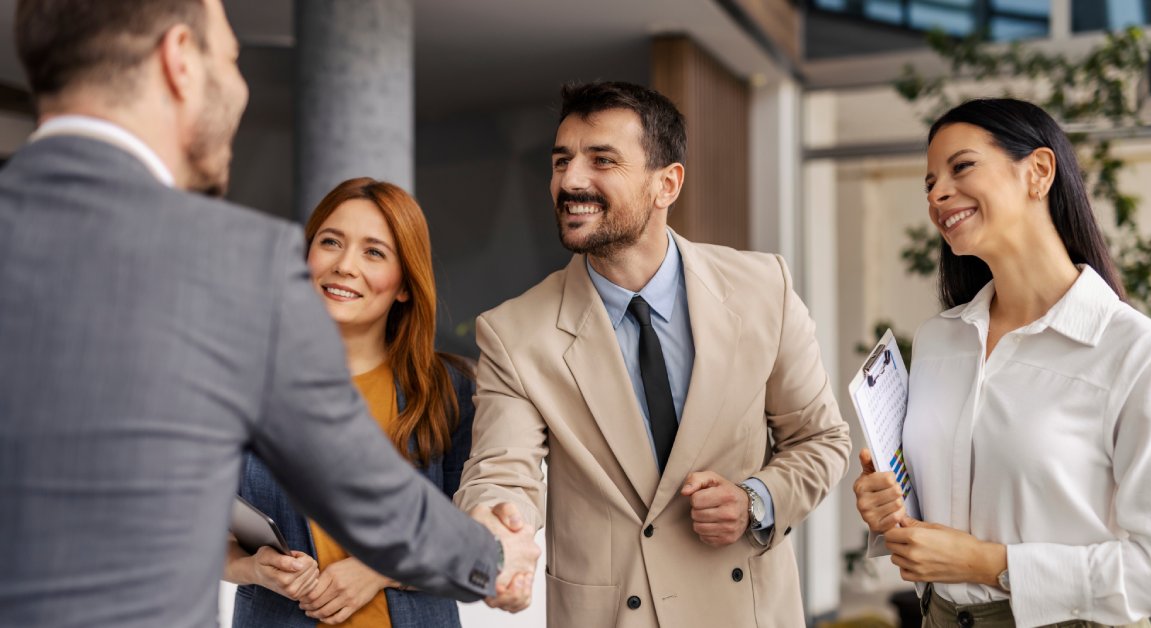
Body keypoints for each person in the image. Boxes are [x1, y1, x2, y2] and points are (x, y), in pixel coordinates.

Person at [0, 1, 537, 626]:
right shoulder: (237, 262)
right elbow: (364, 492)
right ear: (179, 59)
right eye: (230, 59)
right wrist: (492, 559)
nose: (240, 87)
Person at [453, 80, 852, 628]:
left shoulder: (766, 287)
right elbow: (502, 470)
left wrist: (756, 498)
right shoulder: (513, 331)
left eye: (602, 160)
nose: (570, 180)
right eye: (561, 160)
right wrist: (497, 526)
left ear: (667, 184)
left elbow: (821, 438)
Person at [851, 98, 1151, 627]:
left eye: (961, 167)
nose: (938, 193)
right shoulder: (939, 342)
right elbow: (936, 511)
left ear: (1038, 172)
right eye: (928, 183)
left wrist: (989, 564)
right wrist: (893, 514)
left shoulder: (1138, 354)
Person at [224, 178, 476, 627]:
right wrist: (252, 569)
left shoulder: (447, 391)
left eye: (374, 252)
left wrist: (380, 569)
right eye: (331, 242)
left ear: (403, 285)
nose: (344, 265)